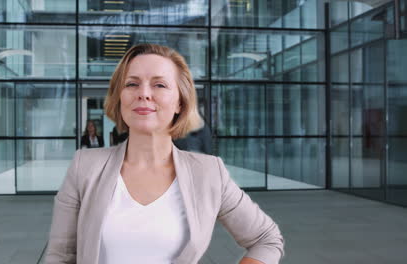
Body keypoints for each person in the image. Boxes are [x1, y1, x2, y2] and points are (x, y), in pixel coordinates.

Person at [46, 44, 284, 264]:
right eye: (132, 84)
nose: (144, 93)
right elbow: (59, 256)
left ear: (180, 102)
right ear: (120, 97)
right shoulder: (84, 166)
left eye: (159, 85)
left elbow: (266, 239)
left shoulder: (209, 172)